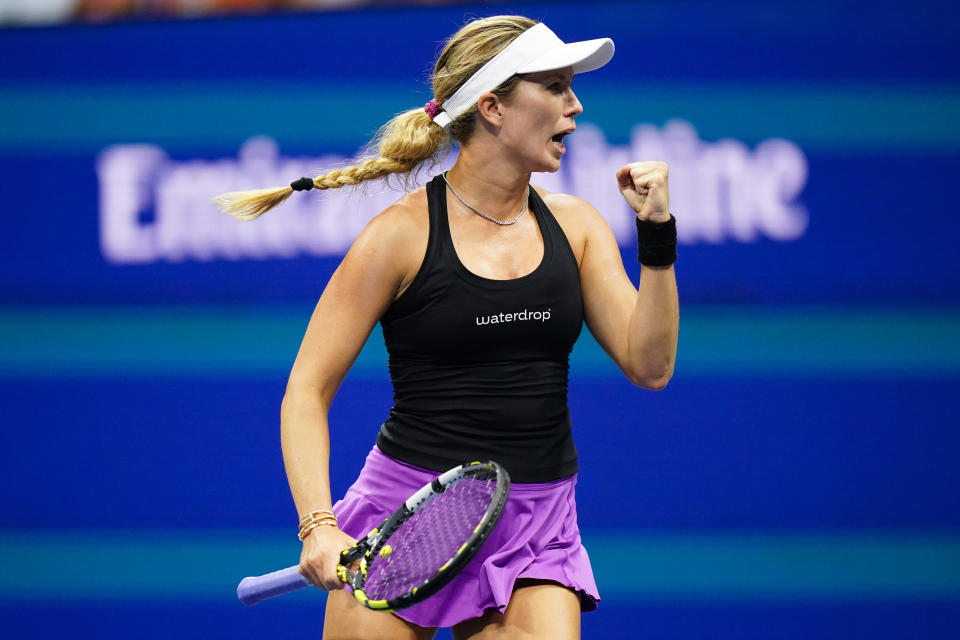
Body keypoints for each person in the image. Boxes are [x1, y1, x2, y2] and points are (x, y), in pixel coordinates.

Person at [215, 15, 678, 640]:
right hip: (400, 519)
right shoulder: (398, 237)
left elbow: (649, 366)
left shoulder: (579, 227)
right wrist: (318, 523)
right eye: (556, 87)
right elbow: (307, 388)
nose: (577, 106)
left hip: (536, 523)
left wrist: (657, 234)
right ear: (493, 107)